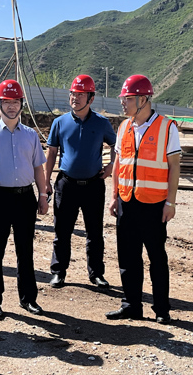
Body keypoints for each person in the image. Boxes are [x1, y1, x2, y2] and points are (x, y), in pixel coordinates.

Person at [0, 79, 49, 321]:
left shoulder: (31, 136)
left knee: (26, 250)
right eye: (7, 102)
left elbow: (38, 168)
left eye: (15, 102)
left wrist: (43, 195)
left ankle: (28, 298)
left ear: (21, 104)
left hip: (25, 198)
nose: (11, 106)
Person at [106, 74, 180, 324]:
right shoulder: (123, 127)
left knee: (156, 257)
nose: (123, 103)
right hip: (127, 202)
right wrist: (114, 196)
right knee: (128, 257)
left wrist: (170, 202)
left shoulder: (167, 127)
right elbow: (118, 164)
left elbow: (174, 167)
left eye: (127, 99)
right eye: (123, 98)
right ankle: (131, 305)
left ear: (144, 99)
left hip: (154, 205)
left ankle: (161, 309)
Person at [45, 75, 116, 289]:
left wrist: (111, 166)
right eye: (73, 94)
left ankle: (96, 274)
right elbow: (51, 153)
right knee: (62, 231)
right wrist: (46, 181)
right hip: (66, 184)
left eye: (80, 94)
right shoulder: (60, 122)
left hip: (93, 185)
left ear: (91, 98)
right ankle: (58, 272)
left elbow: (117, 146)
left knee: (94, 232)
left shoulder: (102, 123)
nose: (75, 98)